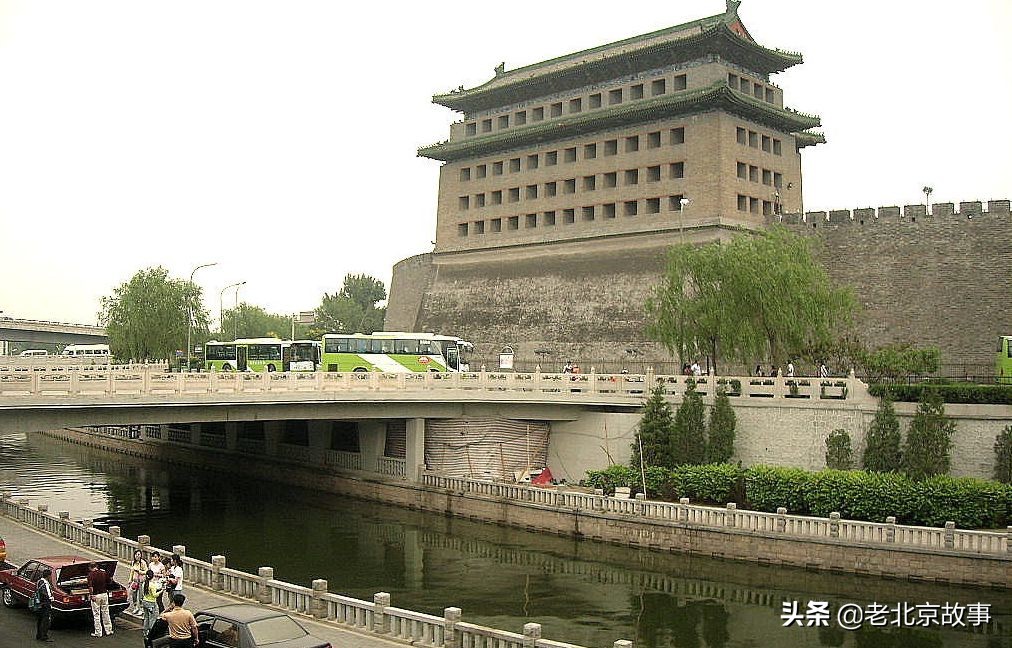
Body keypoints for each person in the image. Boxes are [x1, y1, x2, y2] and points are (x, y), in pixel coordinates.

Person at [87, 562, 114, 637]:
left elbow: (90, 587)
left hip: (96, 596)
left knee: (96, 614)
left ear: (90, 568)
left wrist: (91, 595)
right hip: (104, 594)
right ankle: (108, 630)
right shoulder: (103, 573)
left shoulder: (90, 575)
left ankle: (98, 632)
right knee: (106, 612)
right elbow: (109, 581)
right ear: (97, 566)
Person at [141, 569, 162, 647]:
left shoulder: (144, 583)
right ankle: (151, 634)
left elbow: (142, 593)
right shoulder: (152, 585)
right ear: (152, 576)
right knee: (152, 619)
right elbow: (154, 595)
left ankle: (145, 632)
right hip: (151, 603)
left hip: (145, 602)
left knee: (146, 618)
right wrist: (161, 591)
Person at [35, 567, 53, 642]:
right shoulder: (45, 583)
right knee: (45, 620)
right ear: (48, 576)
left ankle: (38, 635)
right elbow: (48, 595)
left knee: (40, 620)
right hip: (45, 604)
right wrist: (52, 598)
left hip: (39, 603)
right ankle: (44, 636)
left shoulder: (39, 581)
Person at [129, 549, 148, 615]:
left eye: (139, 554)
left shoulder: (143, 563)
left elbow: (146, 571)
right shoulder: (133, 562)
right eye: (137, 554)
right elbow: (132, 571)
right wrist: (130, 580)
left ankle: (141, 608)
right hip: (135, 581)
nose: (138, 556)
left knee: (141, 595)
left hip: (141, 581)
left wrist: (139, 571)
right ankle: (135, 607)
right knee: (134, 594)